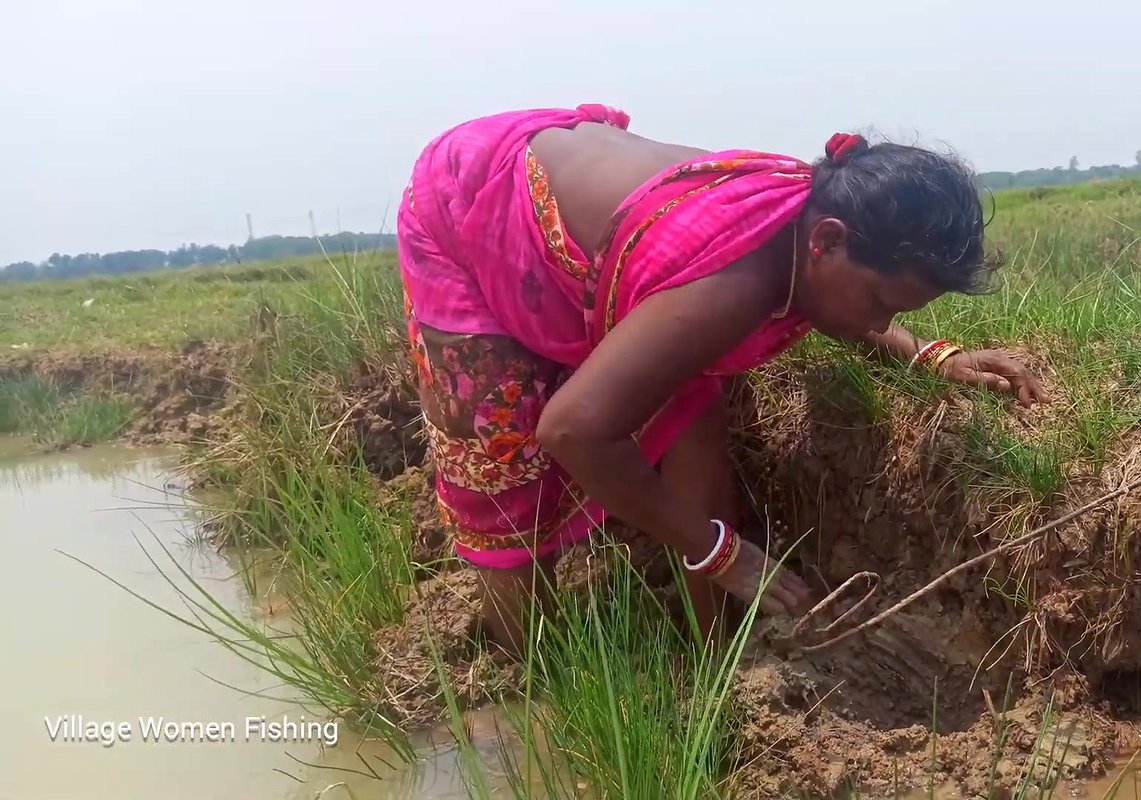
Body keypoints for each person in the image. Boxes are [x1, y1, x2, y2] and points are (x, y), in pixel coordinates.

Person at [397, 104, 1045, 655]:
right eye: (883, 303)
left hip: (592, 208)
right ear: (825, 241)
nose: (883, 321)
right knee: (502, 464)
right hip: (475, 200)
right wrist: (721, 552)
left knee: (695, 410)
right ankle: (528, 676)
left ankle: (717, 660)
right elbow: (570, 430)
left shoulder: (815, 218)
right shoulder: (732, 285)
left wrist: (930, 355)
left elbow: (846, 303)